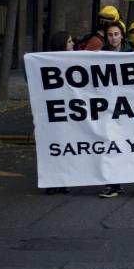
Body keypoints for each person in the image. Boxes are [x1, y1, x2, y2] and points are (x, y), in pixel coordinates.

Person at [99, 20, 131, 198]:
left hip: (130, 107)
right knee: (110, 144)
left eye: (116, 34)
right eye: (110, 35)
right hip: (109, 107)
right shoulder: (100, 54)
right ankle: (112, 183)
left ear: (122, 35)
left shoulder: (133, 53)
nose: (113, 38)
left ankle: (118, 181)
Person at [44, 31, 74, 195]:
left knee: (66, 147)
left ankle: (63, 181)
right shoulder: (47, 62)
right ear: (62, 44)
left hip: (69, 112)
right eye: (70, 42)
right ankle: (53, 180)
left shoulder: (76, 59)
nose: (73, 44)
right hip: (55, 111)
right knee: (55, 146)